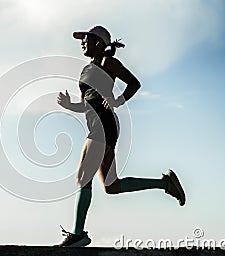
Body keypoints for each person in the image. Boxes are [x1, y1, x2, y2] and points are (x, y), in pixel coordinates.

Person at [55, 25, 186, 247]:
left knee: (83, 177)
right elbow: (87, 103)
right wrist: (70, 105)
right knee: (111, 186)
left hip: (104, 125)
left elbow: (134, 83)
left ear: (98, 42)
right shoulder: (86, 70)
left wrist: (118, 100)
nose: (82, 42)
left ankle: (78, 235)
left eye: (86, 38)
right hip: (97, 124)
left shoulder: (108, 63)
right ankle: (165, 184)